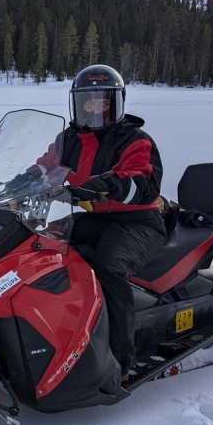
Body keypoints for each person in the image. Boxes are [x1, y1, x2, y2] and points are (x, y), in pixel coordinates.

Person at [34, 65, 166, 379]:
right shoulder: (68, 139)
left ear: (115, 103)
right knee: (45, 245)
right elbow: (46, 165)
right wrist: (19, 183)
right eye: (89, 102)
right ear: (78, 104)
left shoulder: (134, 139)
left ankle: (120, 362)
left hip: (137, 222)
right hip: (94, 217)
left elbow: (142, 181)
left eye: (103, 102)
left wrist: (106, 183)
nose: (96, 109)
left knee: (109, 267)